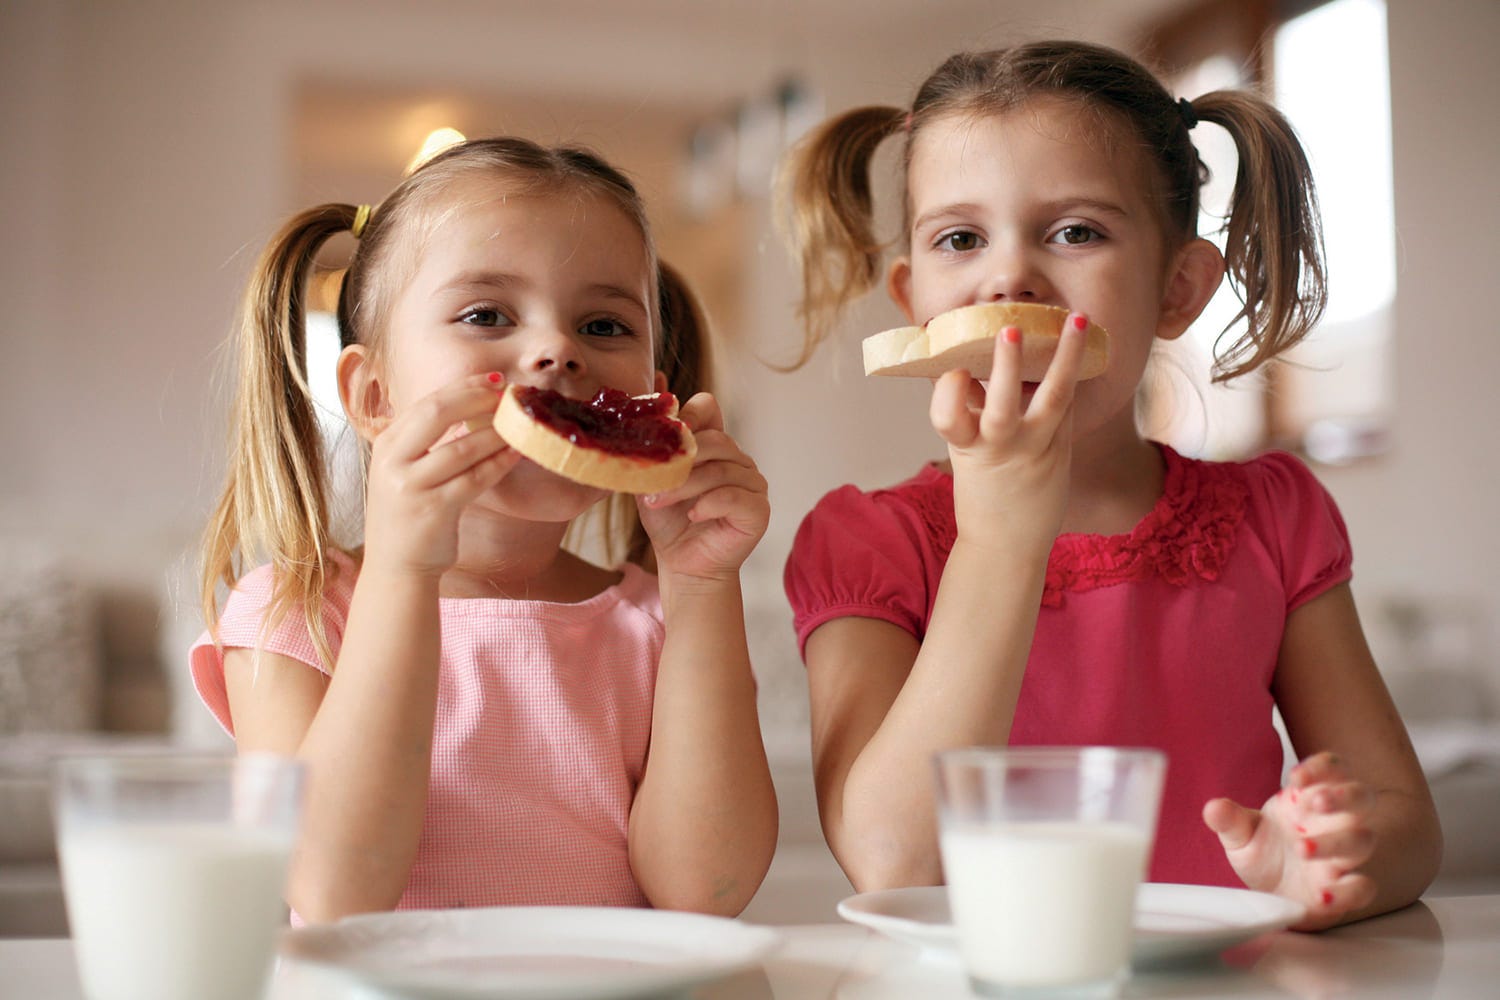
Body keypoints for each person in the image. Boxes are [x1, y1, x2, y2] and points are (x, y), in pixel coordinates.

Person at [778, 41, 1440, 930]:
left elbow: (1406, 825)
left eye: (1075, 232)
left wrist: (1324, 859)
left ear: (1177, 289)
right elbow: (895, 861)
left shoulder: (1275, 520)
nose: (1008, 277)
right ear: (913, 299)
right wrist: (1002, 533)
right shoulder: (865, 543)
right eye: (960, 239)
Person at [190, 137, 777, 923]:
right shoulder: (293, 614)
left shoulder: (663, 622)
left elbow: (710, 893)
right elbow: (332, 892)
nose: (556, 351)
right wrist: (402, 574)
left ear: (655, 398)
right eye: (485, 315)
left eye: (604, 326)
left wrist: (703, 586)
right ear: (373, 396)